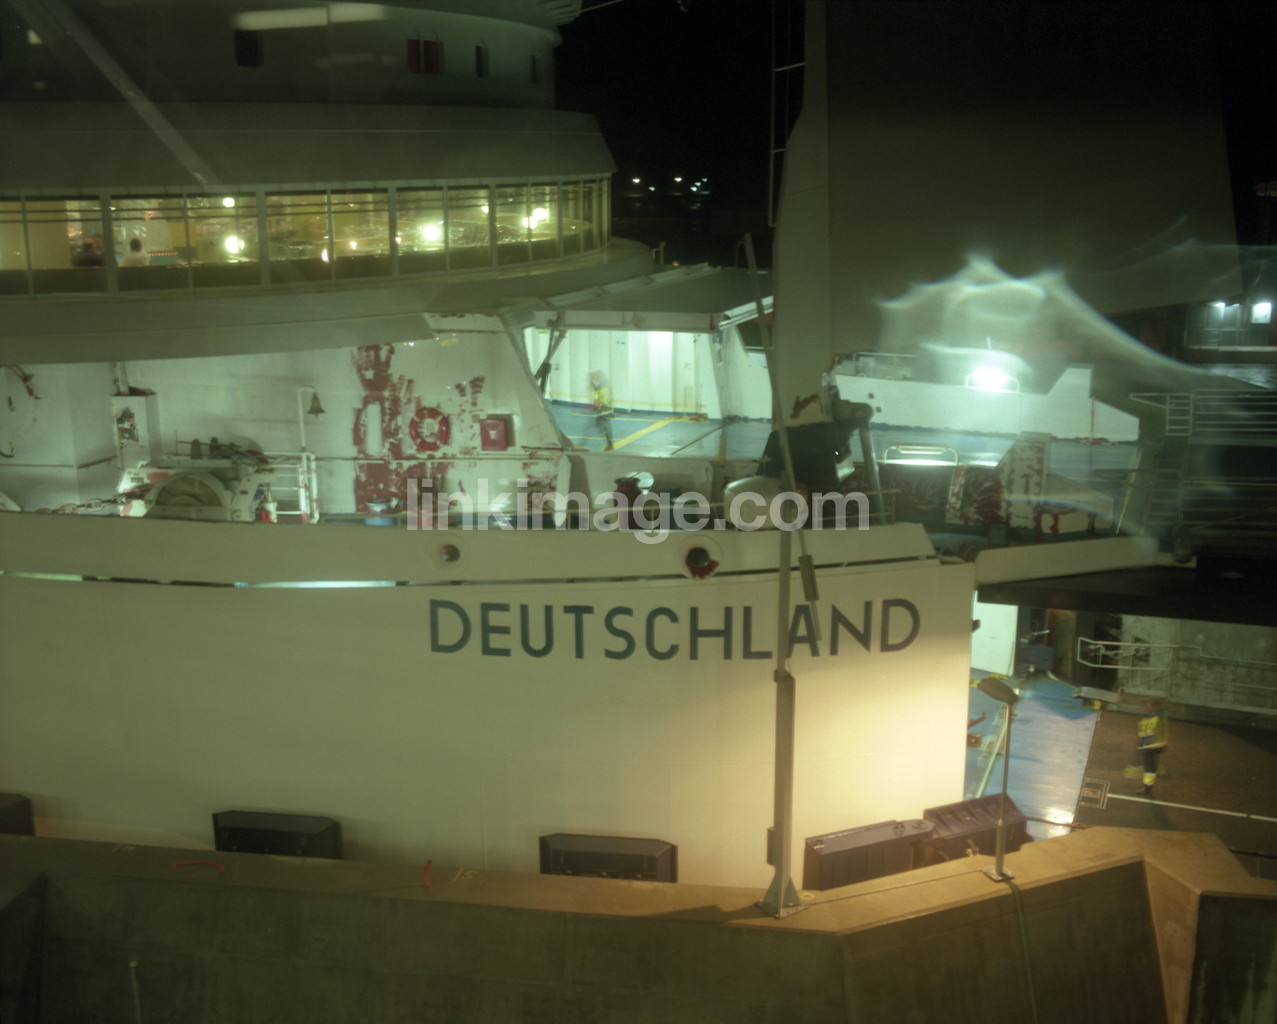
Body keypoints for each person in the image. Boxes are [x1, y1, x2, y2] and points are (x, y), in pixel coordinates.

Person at [1135, 698, 1169, 796]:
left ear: (1155, 707)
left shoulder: (1151, 717)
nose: (1146, 708)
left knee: (1149, 767)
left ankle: (1147, 788)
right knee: (1154, 761)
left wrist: (1141, 743)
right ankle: (1156, 771)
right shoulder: (1161, 715)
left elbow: (1144, 731)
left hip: (1150, 745)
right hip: (1158, 744)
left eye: (1148, 706)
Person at [589, 371, 614, 450]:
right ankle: (609, 443)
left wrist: (598, 404)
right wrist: (592, 383)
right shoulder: (603, 383)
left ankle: (609, 444)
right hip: (604, 409)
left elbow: (603, 395)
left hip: (604, 409)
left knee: (604, 426)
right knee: (601, 426)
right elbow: (597, 390)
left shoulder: (603, 384)